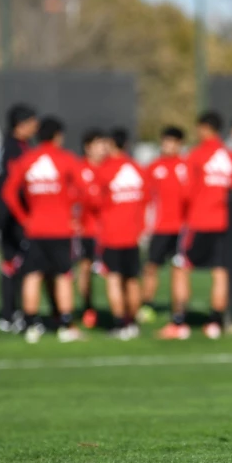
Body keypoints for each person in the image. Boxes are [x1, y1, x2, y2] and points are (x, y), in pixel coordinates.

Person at [1, 116, 87, 343]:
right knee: (63, 275)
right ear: (58, 136)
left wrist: (24, 218)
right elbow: (83, 190)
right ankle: (66, 325)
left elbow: (8, 193)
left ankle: (30, 324)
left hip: (35, 228)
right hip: (61, 229)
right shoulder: (67, 159)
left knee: (32, 275)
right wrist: (71, 210)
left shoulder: (27, 159)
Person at [165, 111, 232, 340]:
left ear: (204, 128)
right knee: (220, 272)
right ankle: (214, 323)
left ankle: (179, 322)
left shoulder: (197, 155)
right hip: (224, 223)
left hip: (200, 221)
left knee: (180, 268)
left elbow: (186, 191)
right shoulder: (230, 156)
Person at [94, 128, 148, 340]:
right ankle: (132, 322)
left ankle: (119, 323)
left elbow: (95, 202)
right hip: (133, 235)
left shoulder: (104, 169)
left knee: (114, 280)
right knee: (132, 280)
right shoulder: (137, 169)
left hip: (111, 234)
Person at [0, 104, 38, 333]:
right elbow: (12, 186)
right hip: (12, 215)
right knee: (16, 264)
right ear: (21, 124)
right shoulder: (13, 148)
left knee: (14, 263)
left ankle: (11, 313)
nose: (35, 126)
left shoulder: (17, 145)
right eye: (32, 121)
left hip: (10, 213)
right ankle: (11, 314)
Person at [146, 127, 190, 339]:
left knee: (178, 270)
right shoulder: (154, 167)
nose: (168, 146)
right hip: (160, 227)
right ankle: (147, 305)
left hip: (181, 229)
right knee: (151, 267)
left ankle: (179, 313)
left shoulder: (186, 167)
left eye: (173, 142)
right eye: (165, 141)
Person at [74, 128, 108, 329]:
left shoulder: (110, 168)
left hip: (110, 232)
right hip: (87, 231)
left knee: (116, 272)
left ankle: (122, 313)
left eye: (104, 144)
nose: (103, 149)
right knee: (84, 269)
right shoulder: (79, 169)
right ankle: (88, 308)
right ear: (88, 147)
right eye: (98, 144)